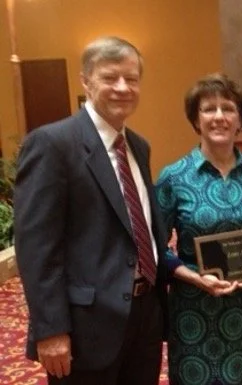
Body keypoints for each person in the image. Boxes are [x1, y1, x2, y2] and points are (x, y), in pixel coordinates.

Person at [14, 36, 168, 385]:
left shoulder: (138, 147)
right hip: (86, 324)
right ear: (86, 80)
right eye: (110, 77)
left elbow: (138, 224)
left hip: (144, 316)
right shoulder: (52, 143)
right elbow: (37, 247)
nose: (122, 87)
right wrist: (50, 329)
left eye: (131, 78)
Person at [155, 73, 242, 385]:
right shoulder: (174, 177)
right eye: (208, 109)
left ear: (240, 118)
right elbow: (153, 246)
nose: (219, 117)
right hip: (199, 310)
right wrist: (191, 276)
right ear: (195, 119)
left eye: (228, 108)